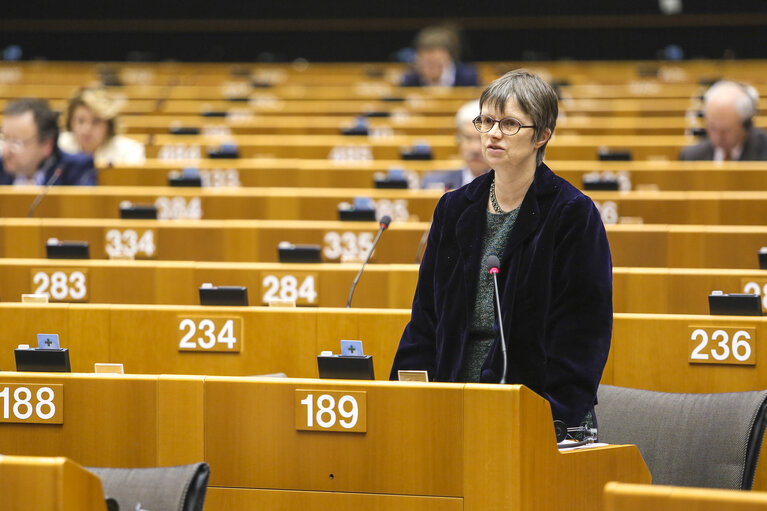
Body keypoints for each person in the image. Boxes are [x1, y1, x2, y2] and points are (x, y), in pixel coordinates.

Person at [390, 70, 612, 429]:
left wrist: (550, 419)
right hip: (452, 401)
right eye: (487, 121)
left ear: (542, 135)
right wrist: (404, 399)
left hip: (534, 408)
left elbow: (583, 332)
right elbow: (426, 317)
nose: (493, 134)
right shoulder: (454, 208)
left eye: (509, 124)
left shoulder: (571, 213)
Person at [0, 98, 96, 185]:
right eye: (5, 139)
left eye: (16, 143)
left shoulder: (77, 169)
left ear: (47, 145)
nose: (6, 150)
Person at [680, 80, 767, 161]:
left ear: (746, 125)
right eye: (712, 128)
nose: (718, 138)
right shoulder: (691, 157)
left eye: (726, 131)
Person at [59, 87, 146, 166]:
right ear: (71, 122)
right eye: (80, 121)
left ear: (109, 125)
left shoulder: (129, 151)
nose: (86, 129)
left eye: (96, 122)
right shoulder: (58, 145)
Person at [421, 100, 490, 190]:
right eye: (468, 138)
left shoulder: (510, 189)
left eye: (481, 139)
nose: (475, 149)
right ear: (458, 140)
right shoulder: (432, 183)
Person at [400, 26, 479, 87]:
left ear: (449, 55)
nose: (430, 58)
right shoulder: (411, 79)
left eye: (436, 60)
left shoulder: (467, 76)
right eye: (426, 54)